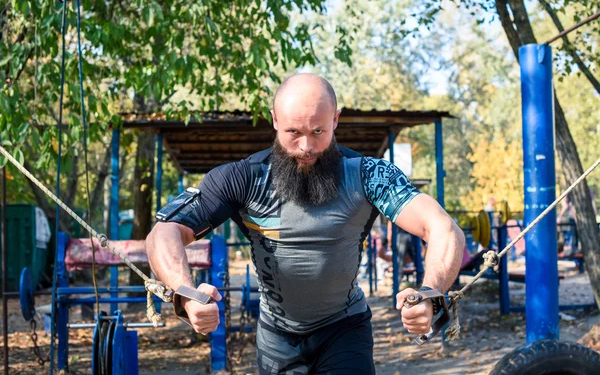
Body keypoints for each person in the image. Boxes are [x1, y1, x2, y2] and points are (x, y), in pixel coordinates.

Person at [145, 73, 465, 374]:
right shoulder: (242, 178)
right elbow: (164, 233)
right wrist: (185, 293)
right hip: (275, 335)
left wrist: (431, 292)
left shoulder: (368, 174)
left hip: (345, 328)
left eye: (318, 132)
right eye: (294, 132)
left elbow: (442, 227)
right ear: (274, 120)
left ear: (335, 120)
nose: (306, 147)